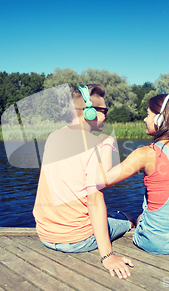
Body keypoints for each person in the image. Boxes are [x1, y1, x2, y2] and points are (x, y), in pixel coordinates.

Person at [32, 84, 134, 278]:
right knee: (126, 218)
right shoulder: (95, 145)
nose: (106, 116)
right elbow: (95, 200)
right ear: (89, 112)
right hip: (77, 240)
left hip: (46, 235)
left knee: (111, 214)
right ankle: (129, 222)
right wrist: (108, 256)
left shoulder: (53, 137)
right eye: (104, 111)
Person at [96, 94, 169, 254]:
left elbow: (102, 180)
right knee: (143, 216)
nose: (145, 120)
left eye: (148, 115)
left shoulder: (146, 154)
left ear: (160, 119)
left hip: (155, 243)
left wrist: (106, 144)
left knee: (136, 218)